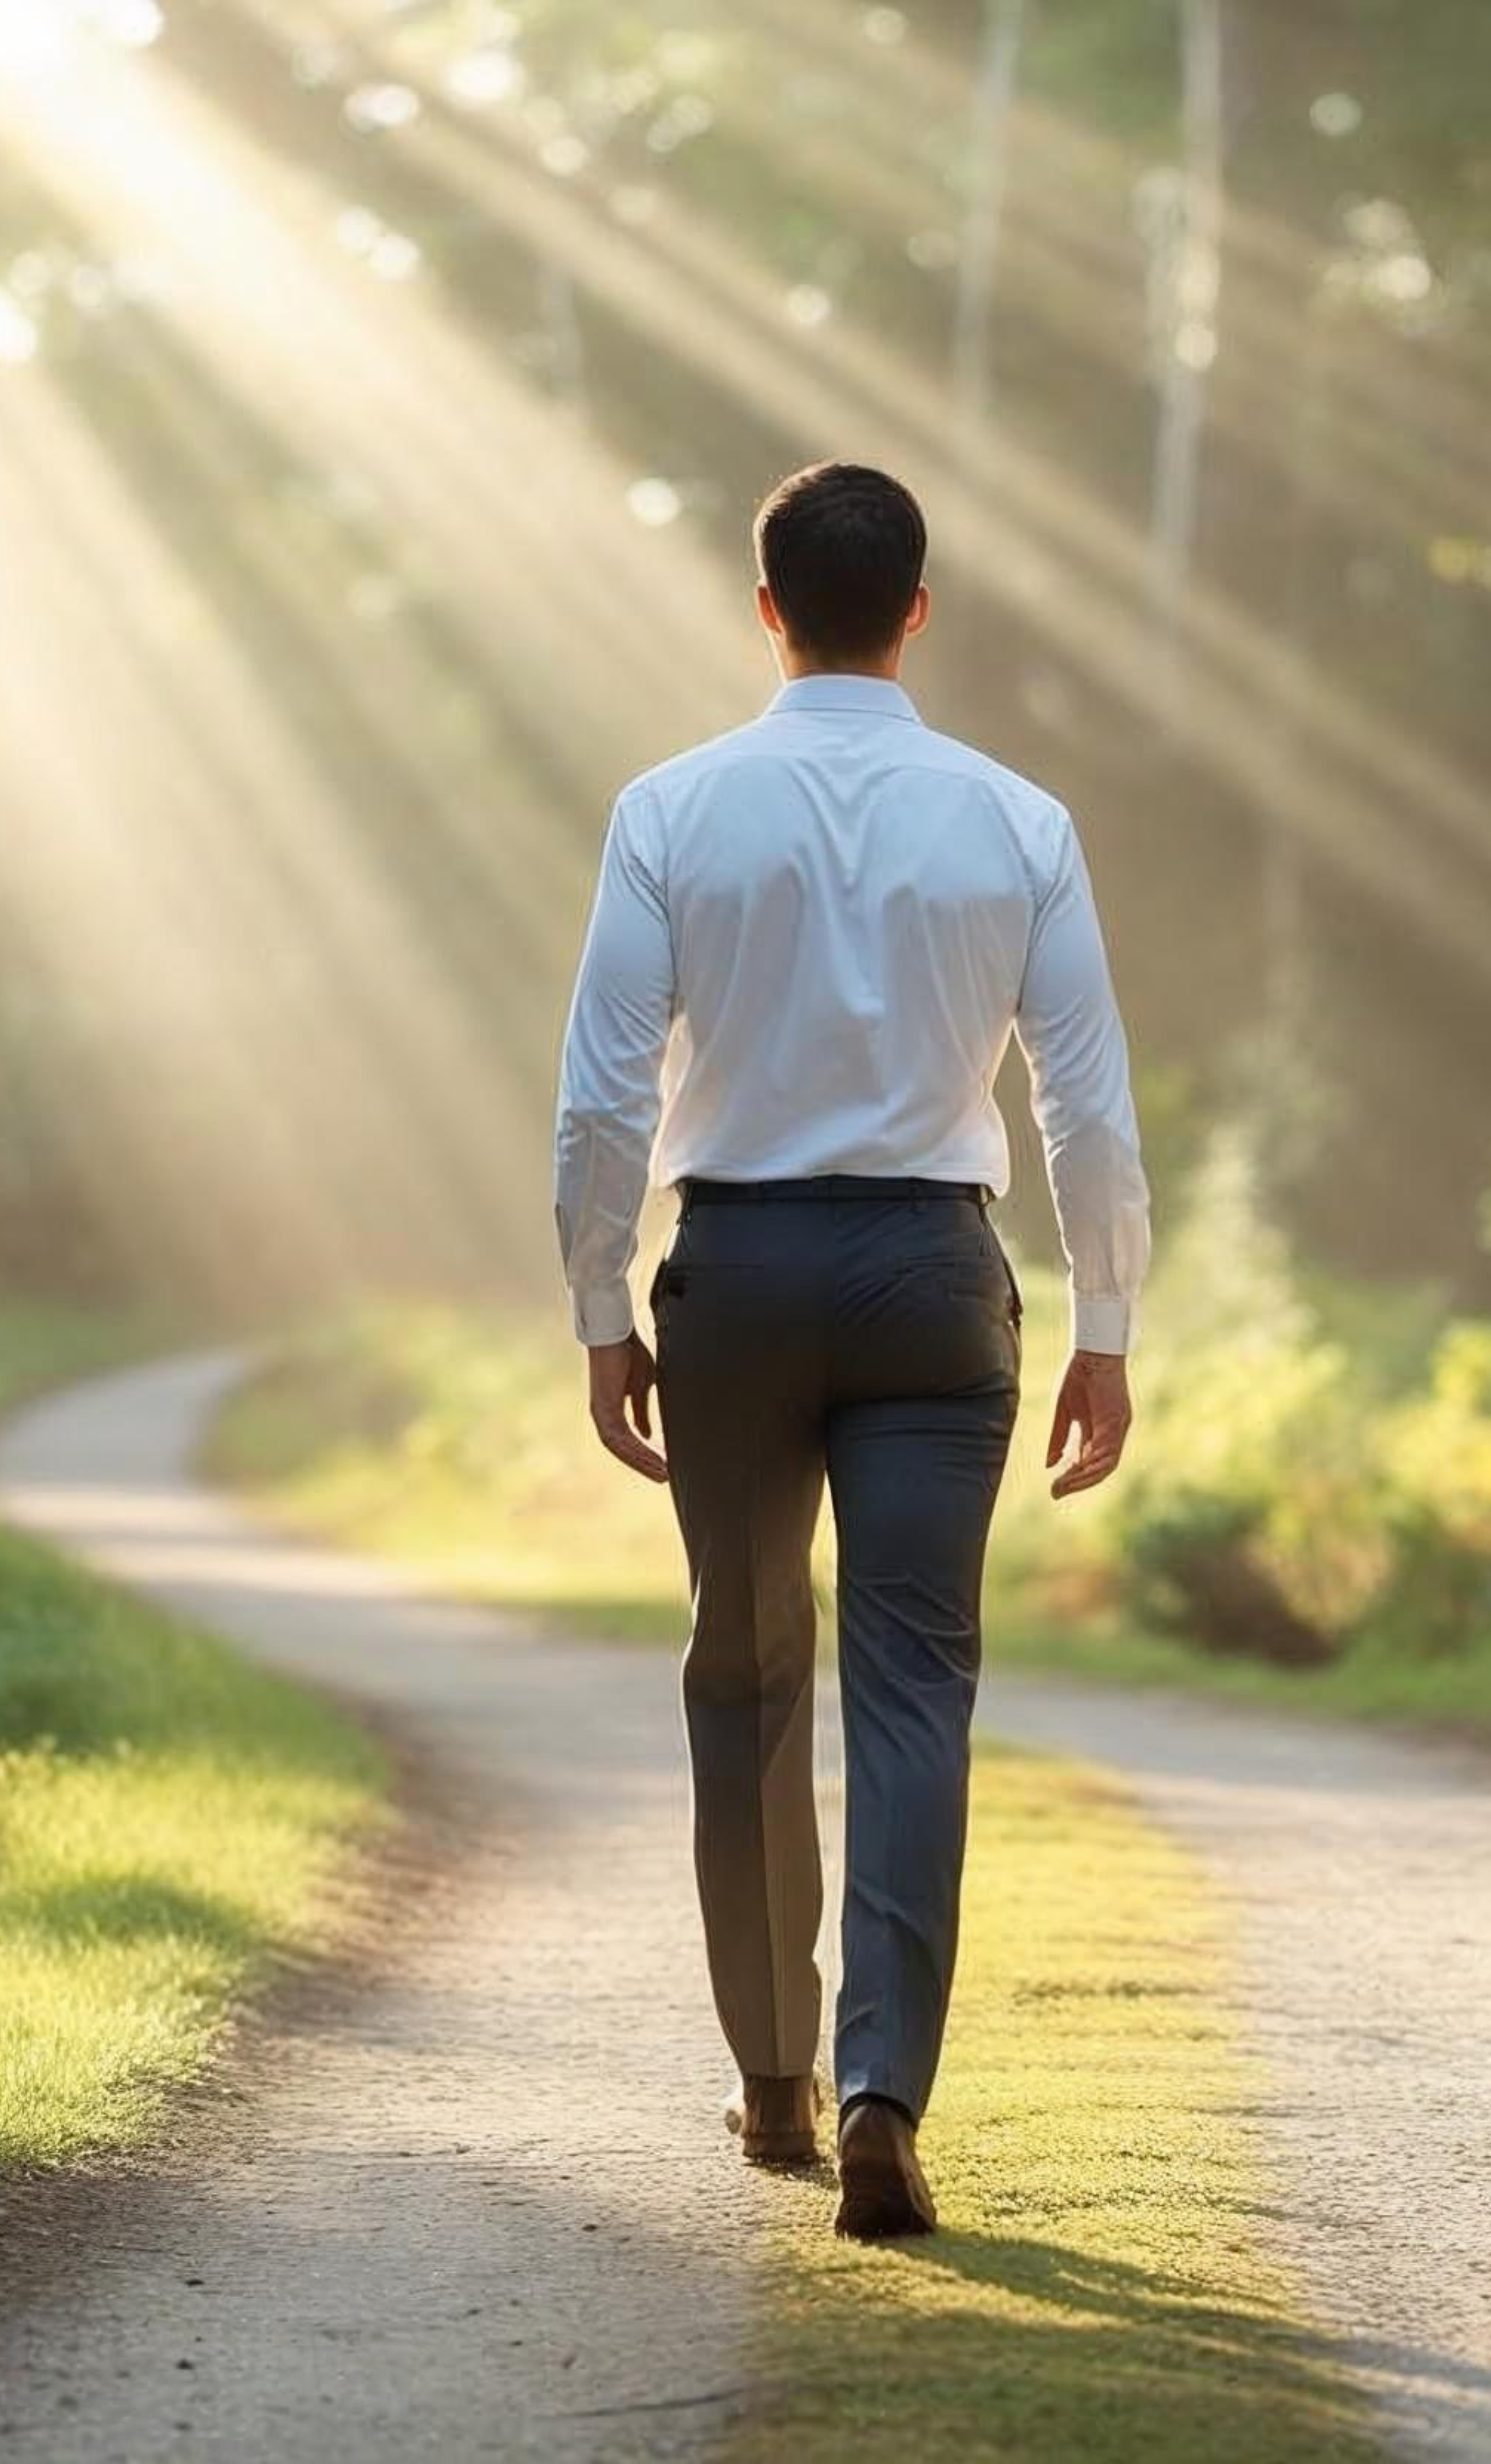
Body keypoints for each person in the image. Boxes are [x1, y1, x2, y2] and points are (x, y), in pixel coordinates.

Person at [550, 460, 1152, 2240]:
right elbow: (1088, 1108)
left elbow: (601, 1097)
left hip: (735, 1273)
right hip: (931, 1282)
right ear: (916, 609)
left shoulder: (671, 812)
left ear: (765, 610)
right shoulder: (1018, 822)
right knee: (913, 1692)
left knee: (743, 1673)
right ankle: (888, 2091)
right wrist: (1107, 1321)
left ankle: (771, 2077)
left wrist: (601, 1304)